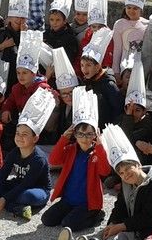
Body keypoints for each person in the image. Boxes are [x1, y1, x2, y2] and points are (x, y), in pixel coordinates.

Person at [63, 126, 152, 240]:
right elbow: (120, 206)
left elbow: (150, 218)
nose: (125, 175)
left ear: (137, 164)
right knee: (109, 236)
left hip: (149, 232)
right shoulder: (127, 184)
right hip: (133, 227)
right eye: (121, 173)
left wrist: (122, 226)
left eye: (128, 169)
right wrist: (112, 223)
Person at [0, 86, 55, 220]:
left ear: (35, 138)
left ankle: (7, 203)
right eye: (18, 133)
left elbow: (27, 184)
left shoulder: (39, 159)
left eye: (25, 134)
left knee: (28, 196)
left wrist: (4, 198)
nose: (20, 137)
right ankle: (16, 207)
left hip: (37, 189)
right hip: (18, 184)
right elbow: (3, 172)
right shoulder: (15, 152)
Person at [42, 87, 111, 231]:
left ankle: (96, 215)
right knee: (47, 219)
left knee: (68, 224)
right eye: (80, 134)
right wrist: (63, 138)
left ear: (95, 135)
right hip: (68, 200)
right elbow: (53, 160)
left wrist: (99, 146)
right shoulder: (71, 150)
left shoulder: (96, 153)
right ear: (74, 134)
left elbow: (105, 171)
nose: (84, 138)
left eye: (89, 134)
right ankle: (72, 213)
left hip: (86, 202)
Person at [0, 30, 55, 151]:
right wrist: (6, 109)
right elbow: (10, 101)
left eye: (25, 73)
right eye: (18, 73)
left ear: (33, 73)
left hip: (38, 132)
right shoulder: (16, 87)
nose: (21, 76)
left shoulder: (42, 88)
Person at [112, 0, 152, 76]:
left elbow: (149, 50)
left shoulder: (147, 24)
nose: (131, 11)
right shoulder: (119, 24)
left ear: (141, 9)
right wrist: (116, 71)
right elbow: (117, 50)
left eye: (135, 8)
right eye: (128, 7)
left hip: (141, 68)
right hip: (124, 68)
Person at [79, 28, 121, 128]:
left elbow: (118, 110)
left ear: (98, 66)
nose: (84, 69)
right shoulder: (85, 82)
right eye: (82, 65)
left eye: (88, 65)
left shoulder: (109, 85)